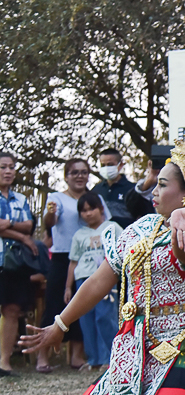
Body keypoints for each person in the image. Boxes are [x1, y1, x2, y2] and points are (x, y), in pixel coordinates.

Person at [21, 79, 185, 395]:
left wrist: (183, 222)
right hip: (139, 347)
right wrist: (60, 325)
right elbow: (99, 280)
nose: (154, 190)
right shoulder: (138, 229)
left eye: (163, 184)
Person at [39, 158, 108, 372]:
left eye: (84, 172)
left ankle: (77, 356)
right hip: (62, 257)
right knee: (54, 304)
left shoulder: (95, 197)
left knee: (83, 304)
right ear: (66, 176)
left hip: (91, 258)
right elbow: (49, 223)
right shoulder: (57, 198)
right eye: (74, 172)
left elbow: (106, 222)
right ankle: (43, 355)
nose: (80, 176)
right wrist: (50, 213)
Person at [66, 192, 122, 369]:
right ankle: (94, 360)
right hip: (83, 278)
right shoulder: (79, 234)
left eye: (91, 209)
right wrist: (68, 287)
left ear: (101, 208)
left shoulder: (113, 228)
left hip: (106, 278)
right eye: (83, 211)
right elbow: (73, 261)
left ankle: (111, 358)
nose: (88, 213)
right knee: (86, 319)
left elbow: (124, 251)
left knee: (105, 316)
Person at [0, 152, 37, 376]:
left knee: (12, 309)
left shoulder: (21, 199)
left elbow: (29, 225)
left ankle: (4, 362)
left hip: (14, 263)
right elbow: (24, 231)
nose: (8, 171)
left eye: (11, 167)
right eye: (3, 167)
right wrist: (21, 236)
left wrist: (8, 225)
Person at [93, 147, 147, 229]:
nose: (106, 168)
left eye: (110, 164)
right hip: (101, 235)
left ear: (121, 165)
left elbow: (142, 216)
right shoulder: (96, 190)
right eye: (103, 165)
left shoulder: (133, 190)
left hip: (127, 234)